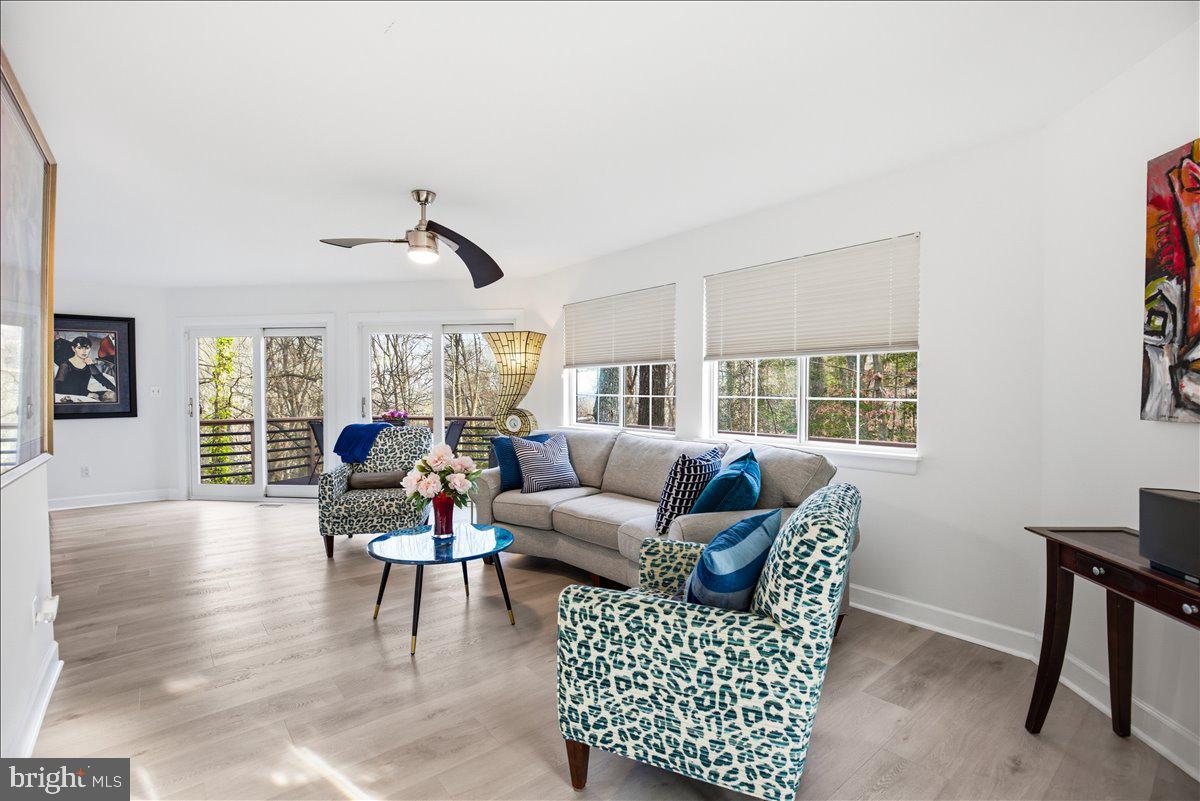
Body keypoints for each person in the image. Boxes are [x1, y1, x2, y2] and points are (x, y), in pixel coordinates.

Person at [55, 335, 117, 401]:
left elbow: (102, 379)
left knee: (111, 396)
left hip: (84, 393)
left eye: (87, 348)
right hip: (71, 395)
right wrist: (86, 394)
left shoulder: (89, 364)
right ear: (73, 349)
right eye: (80, 348)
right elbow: (58, 387)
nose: (84, 351)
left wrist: (116, 390)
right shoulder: (65, 365)